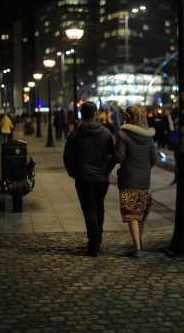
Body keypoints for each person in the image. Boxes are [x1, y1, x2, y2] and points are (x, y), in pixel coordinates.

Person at [64, 101, 115, 257]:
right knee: (98, 207)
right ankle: (96, 237)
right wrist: (107, 170)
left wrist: (76, 173)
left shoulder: (74, 136)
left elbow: (68, 159)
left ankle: (94, 243)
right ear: (95, 114)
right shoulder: (106, 133)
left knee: (90, 211)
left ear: (81, 115)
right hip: (102, 178)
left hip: (84, 178)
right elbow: (112, 156)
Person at [108, 106, 156, 258]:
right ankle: (138, 244)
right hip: (144, 179)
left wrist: (107, 157)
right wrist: (144, 169)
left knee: (131, 214)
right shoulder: (148, 136)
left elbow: (119, 157)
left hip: (129, 178)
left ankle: (136, 248)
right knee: (140, 213)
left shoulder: (123, 134)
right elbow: (153, 158)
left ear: (127, 117)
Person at [169, 119, 179, 185]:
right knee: (177, 167)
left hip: (182, 153)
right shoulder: (174, 133)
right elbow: (170, 141)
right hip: (177, 153)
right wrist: (175, 142)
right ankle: (176, 178)